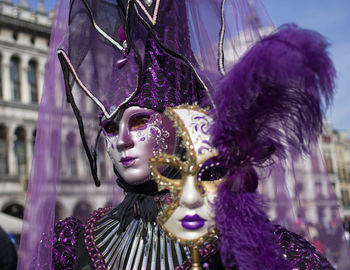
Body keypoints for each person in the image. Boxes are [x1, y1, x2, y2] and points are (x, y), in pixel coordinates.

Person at [17, 0, 350, 269]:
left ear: (179, 122)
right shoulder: (68, 245)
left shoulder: (255, 248)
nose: (121, 140)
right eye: (109, 126)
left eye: (138, 121)